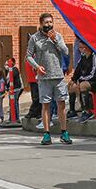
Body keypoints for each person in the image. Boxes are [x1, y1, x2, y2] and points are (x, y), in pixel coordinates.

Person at [27, 14, 73, 145]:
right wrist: (37, 66)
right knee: (45, 105)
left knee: (61, 104)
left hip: (58, 76)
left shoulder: (57, 36)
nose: (49, 25)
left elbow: (65, 51)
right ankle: (47, 134)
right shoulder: (35, 38)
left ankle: (64, 132)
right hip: (44, 77)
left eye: (51, 22)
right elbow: (28, 56)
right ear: (41, 24)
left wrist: (55, 41)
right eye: (46, 22)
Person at [68, 42, 96, 123]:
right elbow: (78, 70)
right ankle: (72, 111)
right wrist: (73, 80)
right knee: (72, 86)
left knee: (83, 85)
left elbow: (94, 74)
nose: (80, 50)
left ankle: (87, 111)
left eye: (81, 47)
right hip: (86, 81)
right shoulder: (83, 57)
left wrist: (81, 80)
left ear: (86, 47)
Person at [5, 58, 23, 123]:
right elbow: (7, 79)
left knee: (14, 103)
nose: (8, 63)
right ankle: (11, 117)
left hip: (16, 89)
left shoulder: (15, 69)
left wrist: (9, 69)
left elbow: (12, 75)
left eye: (9, 61)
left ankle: (17, 118)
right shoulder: (8, 70)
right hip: (11, 89)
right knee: (11, 103)